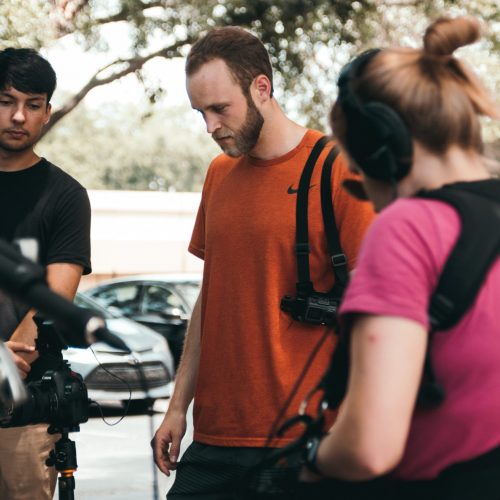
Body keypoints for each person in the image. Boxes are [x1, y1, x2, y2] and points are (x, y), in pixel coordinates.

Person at [152, 26, 375, 499]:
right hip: (214, 439)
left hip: (305, 438)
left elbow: (376, 311)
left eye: (220, 108)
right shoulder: (218, 173)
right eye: (200, 112)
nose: (210, 126)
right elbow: (211, 296)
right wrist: (176, 407)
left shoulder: (337, 168)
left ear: (261, 88)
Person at [299, 16, 500, 499]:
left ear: (380, 148)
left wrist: (311, 458)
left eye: (357, 169)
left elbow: (370, 449)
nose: (366, 193)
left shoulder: (409, 227)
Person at [0, 48, 91, 500]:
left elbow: (55, 299)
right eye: (6, 101)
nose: (19, 116)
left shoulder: (65, 196)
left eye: (32, 104)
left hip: (23, 410)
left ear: (47, 112)